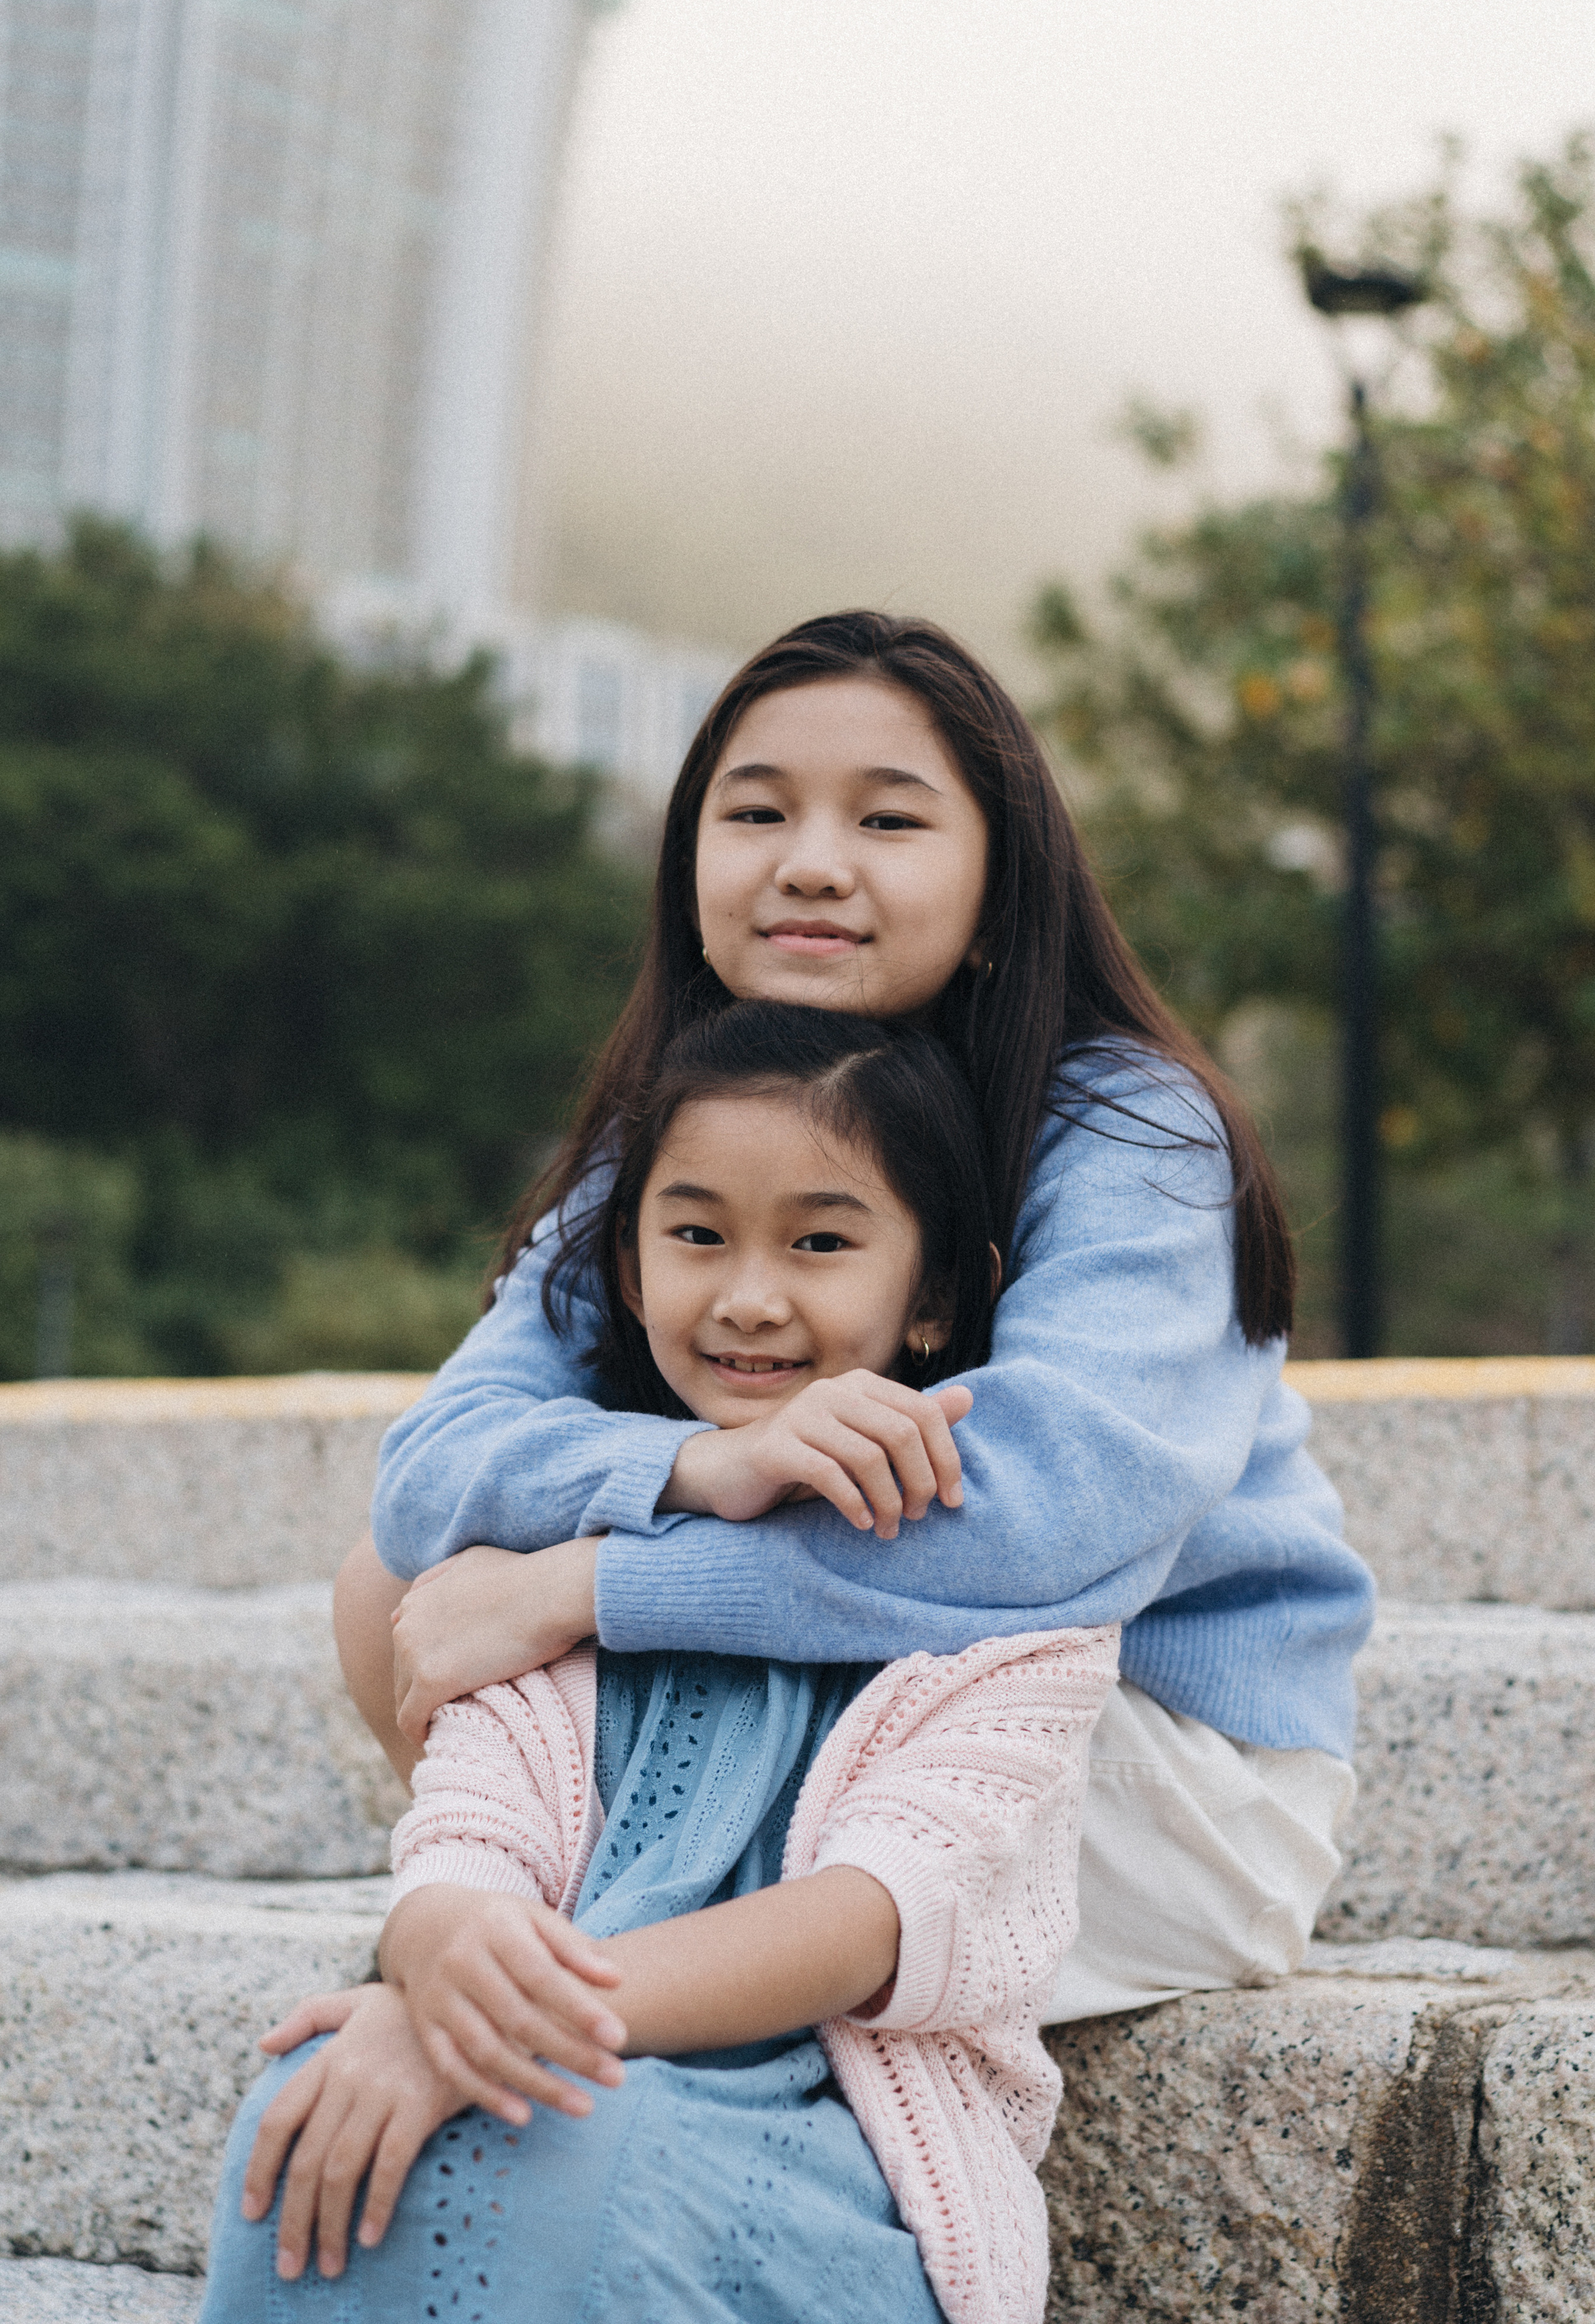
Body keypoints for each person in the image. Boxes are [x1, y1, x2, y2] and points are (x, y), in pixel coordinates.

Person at [337, 609, 1370, 2030]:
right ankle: (574, 1956)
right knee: (380, 1586)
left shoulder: (1130, 1130)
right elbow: (432, 1468)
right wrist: (687, 1470)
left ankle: (578, 1993)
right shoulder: (670, 1129)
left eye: (888, 821)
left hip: (1125, 1742)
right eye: (754, 811)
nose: (809, 861)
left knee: (513, 1605)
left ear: (1000, 883)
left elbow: (1037, 1518)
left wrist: (593, 1584)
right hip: (849, 1688)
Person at [201, 1002, 1121, 2324]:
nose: (749, 1296)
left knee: (573, 2169)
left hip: (838, 2146)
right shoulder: (544, 1566)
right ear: (628, 1277)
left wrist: (501, 2022)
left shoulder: (1011, 1588)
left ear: (930, 1296)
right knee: (302, 2115)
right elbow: (466, 1833)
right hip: (584, 2053)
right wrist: (439, 1955)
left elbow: (867, 1925)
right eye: (695, 1235)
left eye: (818, 1242)